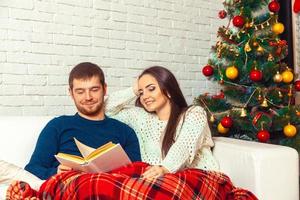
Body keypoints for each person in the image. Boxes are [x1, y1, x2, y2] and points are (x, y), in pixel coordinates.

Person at [24, 62, 141, 180]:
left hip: (112, 186)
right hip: (71, 185)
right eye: (80, 92)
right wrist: (56, 172)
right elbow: (32, 169)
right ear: (71, 93)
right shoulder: (58, 126)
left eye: (94, 90)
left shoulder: (125, 132)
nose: (88, 97)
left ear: (104, 89)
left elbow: (137, 172)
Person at [105, 66, 219, 180]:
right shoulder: (141, 118)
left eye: (151, 89)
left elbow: (184, 146)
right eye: (141, 93)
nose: (145, 96)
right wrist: (134, 90)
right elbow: (105, 109)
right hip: (158, 182)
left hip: (198, 179)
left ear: (168, 90)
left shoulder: (194, 113)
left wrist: (165, 168)